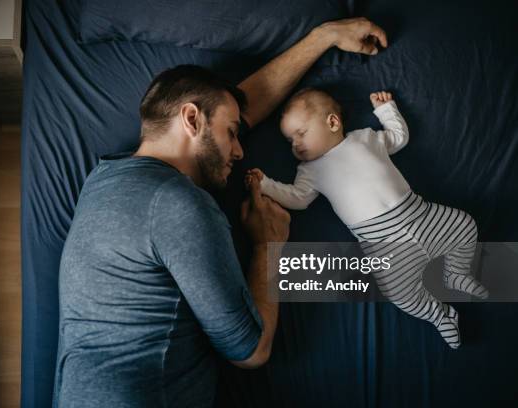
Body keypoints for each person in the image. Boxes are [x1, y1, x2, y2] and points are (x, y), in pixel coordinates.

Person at [53, 18, 388, 408]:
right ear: (191, 119)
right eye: (233, 134)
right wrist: (268, 247)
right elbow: (250, 351)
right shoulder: (180, 203)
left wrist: (324, 37)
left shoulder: (103, 178)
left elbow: (229, 109)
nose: (241, 150)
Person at [247, 89, 489, 349]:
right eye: (289, 141)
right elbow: (298, 198)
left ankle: (456, 272)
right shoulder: (309, 170)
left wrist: (386, 110)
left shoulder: (365, 137)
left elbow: (398, 137)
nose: (295, 144)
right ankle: (440, 315)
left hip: (421, 214)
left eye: (301, 133)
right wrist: (267, 185)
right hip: (383, 243)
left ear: (332, 122)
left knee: (464, 225)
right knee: (398, 292)